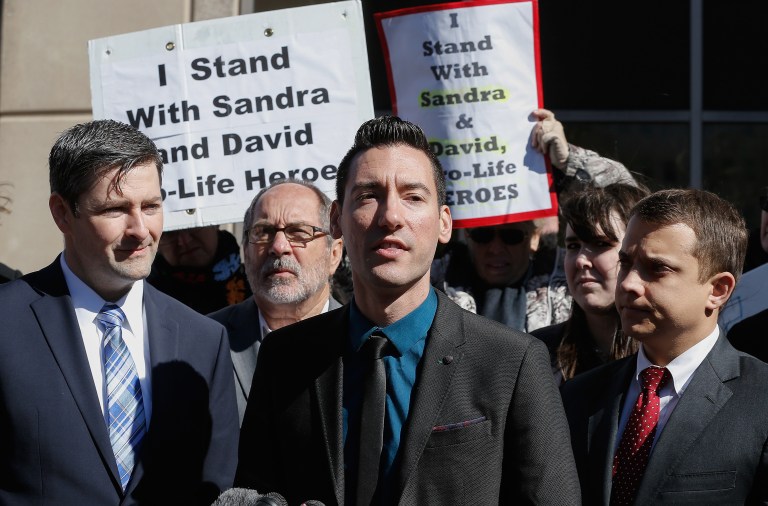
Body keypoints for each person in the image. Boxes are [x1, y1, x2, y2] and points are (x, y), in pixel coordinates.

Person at [235, 116, 580, 505]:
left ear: (444, 223)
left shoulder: (511, 363)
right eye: (368, 195)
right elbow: (254, 492)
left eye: (413, 197)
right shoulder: (286, 358)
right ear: (336, 221)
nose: (391, 216)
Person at [0, 120, 239, 505]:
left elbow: (216, 488)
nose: (140, 230)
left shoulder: (203, 340)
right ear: (63, 213)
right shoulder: (7, 324)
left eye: (151, 206)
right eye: (115, 209)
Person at [562, 189, 768, 505]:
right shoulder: (577, 397)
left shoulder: (761, 399)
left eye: (657, 268)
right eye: (625, 263)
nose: (628, 283)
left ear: (718, 289)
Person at [432, 108, 637, 332]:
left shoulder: (562, 275)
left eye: (512, 236)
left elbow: (628, 204)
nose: (495, 248)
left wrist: (569, 160)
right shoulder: (440, 278)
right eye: (483, 235)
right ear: (467, 236)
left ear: (534, 238)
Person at [208, 179, 344, 425]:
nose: (279, 247)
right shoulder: (204, 341)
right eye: (263, 232)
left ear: (334, 254)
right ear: (245, 252)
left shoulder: (368, 344)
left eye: (299, 232)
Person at [532, 183, 648, 386]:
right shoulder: (537, 354)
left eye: (601, 244)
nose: (580, 260)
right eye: (573, 246)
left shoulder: (669, 354)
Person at [148, 225, 251, 314]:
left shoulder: (257, 286)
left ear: (215, 223)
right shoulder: (146, 298)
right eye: (169, 233)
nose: (185, 241)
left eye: (193, 226)